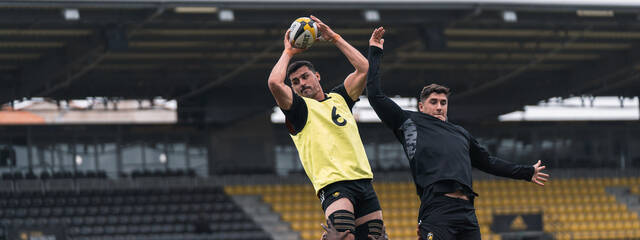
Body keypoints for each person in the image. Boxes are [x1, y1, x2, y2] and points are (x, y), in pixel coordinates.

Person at [365, 27, 549, 240]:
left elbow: (488, 162)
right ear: (421, 106)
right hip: (437, 209)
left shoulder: (460, 133)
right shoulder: (409, 122)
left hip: (467, 213)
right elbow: (376, 96)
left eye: (443, 102)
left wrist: (526, 172)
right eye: (433, 102)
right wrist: (375, 52)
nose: (439, 107)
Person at [267, 16, 384, 240]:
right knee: (342, 236)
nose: (302, 83)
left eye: (305, 77)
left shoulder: (340, 98)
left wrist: (335, 38)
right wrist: (288, 52)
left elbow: (363, 69)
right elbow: (274, 83)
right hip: (334, 185)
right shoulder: (298, 108)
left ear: (317, 76)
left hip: (364, 182)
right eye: (295, 82)